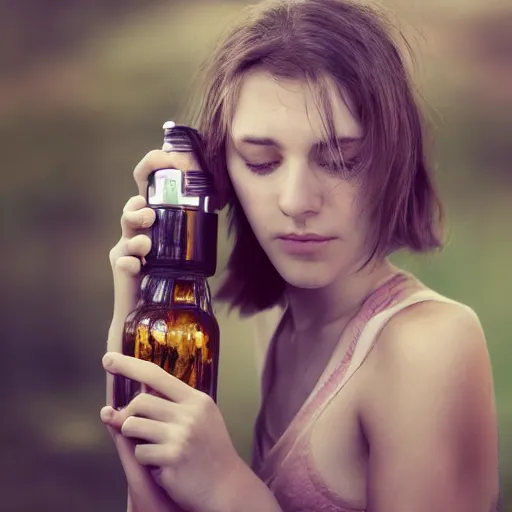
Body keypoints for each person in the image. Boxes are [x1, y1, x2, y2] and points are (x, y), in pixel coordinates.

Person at [100, 0, 500, 511]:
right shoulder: (279, 325)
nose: (296, 201)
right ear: (219, 174)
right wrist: (136, 316)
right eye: (261, 162)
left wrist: (227, 487)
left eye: (340, 160)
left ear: (393, 161)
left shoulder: (429, 346)